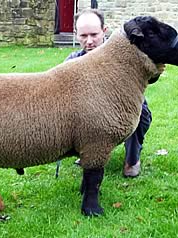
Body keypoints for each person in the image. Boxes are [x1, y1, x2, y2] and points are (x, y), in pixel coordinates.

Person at [59, 8, 152, 177]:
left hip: (120, 111)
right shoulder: (72, 61)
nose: (89, 41)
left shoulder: (124, 59)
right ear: (75, 34)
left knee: (141, 113)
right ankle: (86, 151)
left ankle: (132, 159)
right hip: (90, 114)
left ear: (104, 31)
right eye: (83, 36)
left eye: (94, 35)